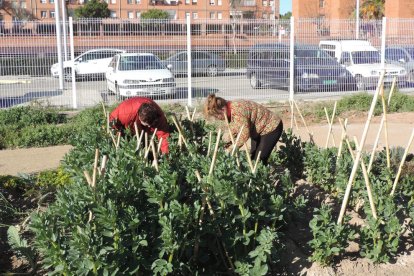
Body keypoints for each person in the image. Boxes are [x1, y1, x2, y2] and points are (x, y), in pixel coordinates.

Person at [204, 94, 283, 165]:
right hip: (258, 129)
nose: (218, 119)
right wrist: (225, 144)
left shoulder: (238, 110)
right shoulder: (230, 110)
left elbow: (244, 134)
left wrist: (231, 149)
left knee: (259, 160)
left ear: (222, 109)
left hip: (271, 127)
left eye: (217, 116)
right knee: (253, 157)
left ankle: (263, 179)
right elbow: (235, 130)